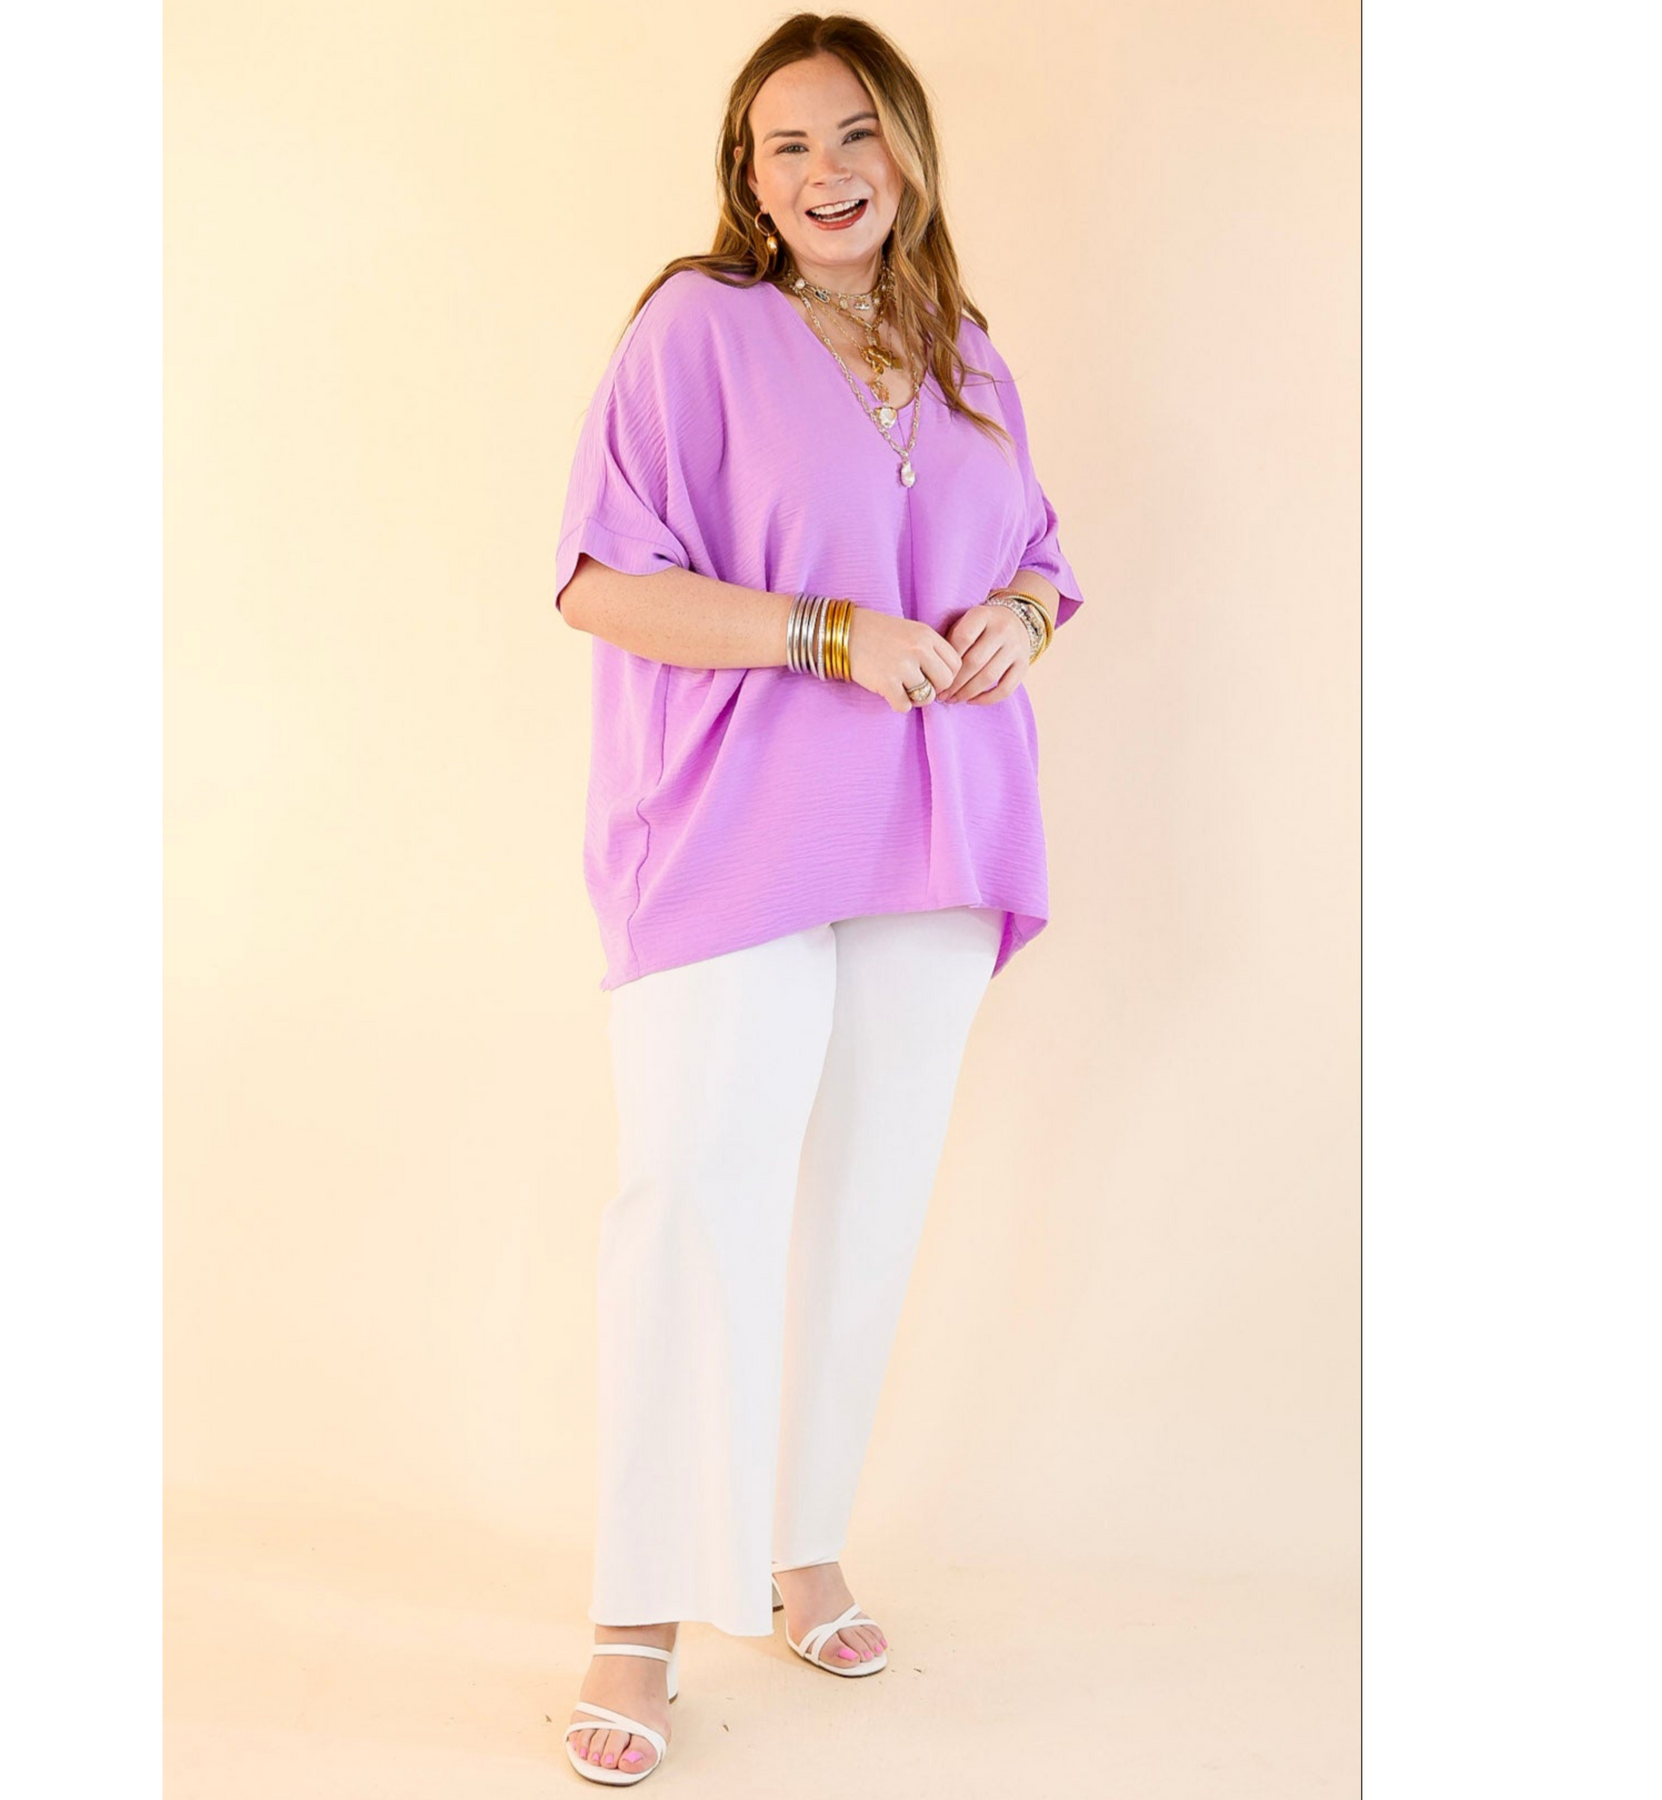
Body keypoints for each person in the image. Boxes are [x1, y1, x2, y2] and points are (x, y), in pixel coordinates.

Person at [552, 12, 1084, 1785]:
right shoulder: (695, 331)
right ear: (748, 176)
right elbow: (599, 581)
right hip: (739, 832)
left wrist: (1022, 617)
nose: (826, 170)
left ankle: (802, 1546)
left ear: (908, 149)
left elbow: (1038, 554)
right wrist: (824, 632)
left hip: (935, 834)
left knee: (869, 1205)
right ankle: (638, 1617)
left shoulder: (963, 349)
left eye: (855, 131)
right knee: (692, 1199)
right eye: (786, 145)